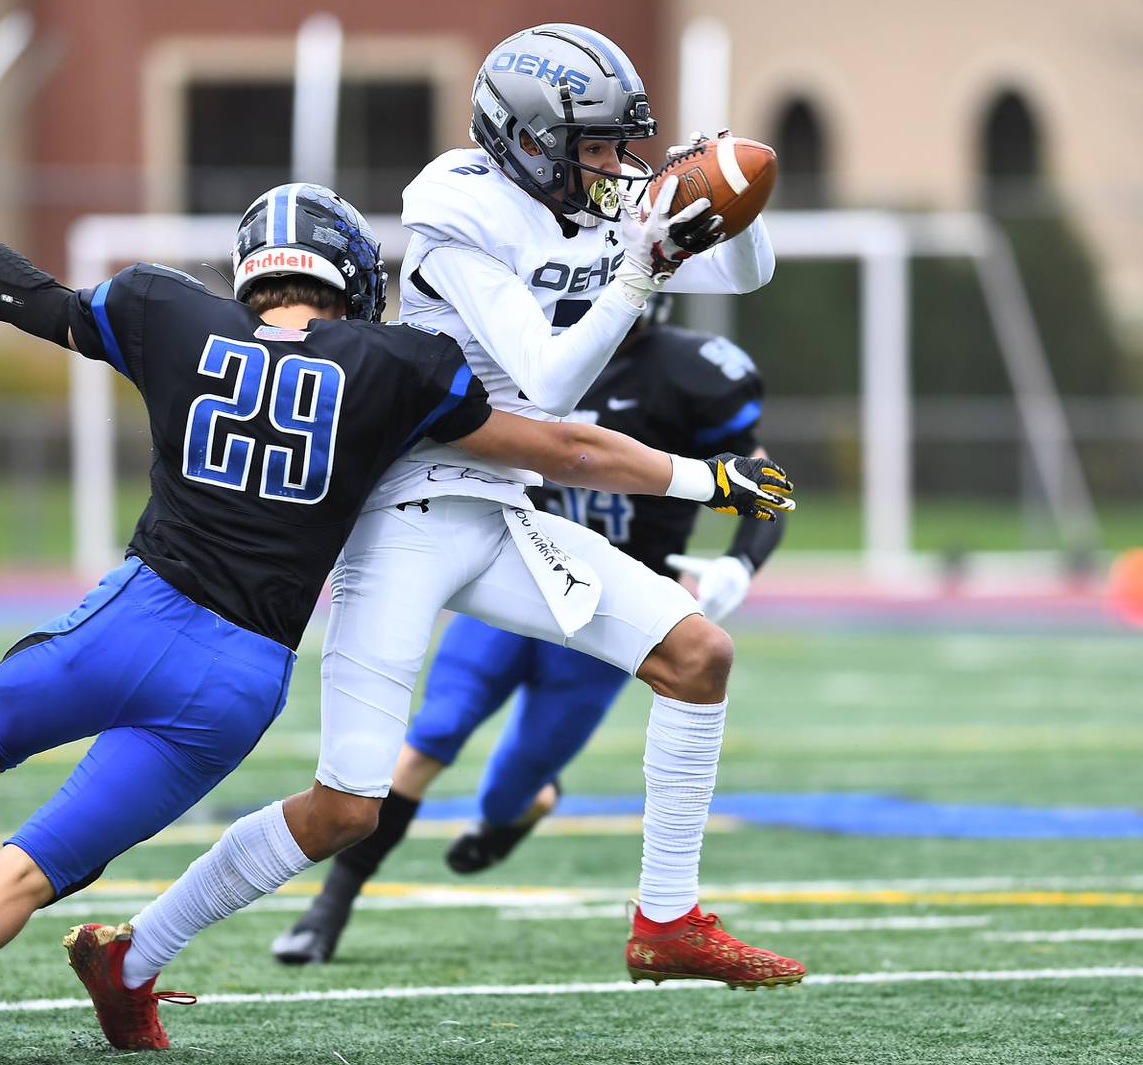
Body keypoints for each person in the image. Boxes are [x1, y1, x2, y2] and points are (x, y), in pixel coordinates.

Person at [0, 168, 792, 1065]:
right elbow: (558, 442)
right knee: (39, 875)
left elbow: (23, 297)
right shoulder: (394, 362)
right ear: (351, 270)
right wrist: (707, 477)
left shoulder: (165, 311)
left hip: (138, 613)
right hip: (235, 677)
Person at [67, 23, 801, 1053]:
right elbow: (546, 386)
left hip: (501, 510)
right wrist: (639, 271)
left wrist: (722, 190)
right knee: (345, 808)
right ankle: (132, 953)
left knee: (698, 655)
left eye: (623, 143)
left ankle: (666, 920)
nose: (617, 165)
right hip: (406, 505)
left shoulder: (596, 200)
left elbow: (747, 275)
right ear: (529, 141)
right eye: (597, 144)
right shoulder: (456, 203)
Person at [273, 298, 786, 964]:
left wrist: (739, 564)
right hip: (518, 568)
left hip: (613, 610)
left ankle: (530, 801)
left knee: (513, 785)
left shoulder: (689, 374)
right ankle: (328, 910)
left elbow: (761, 479)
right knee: (436, 732)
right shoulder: (510, 353)